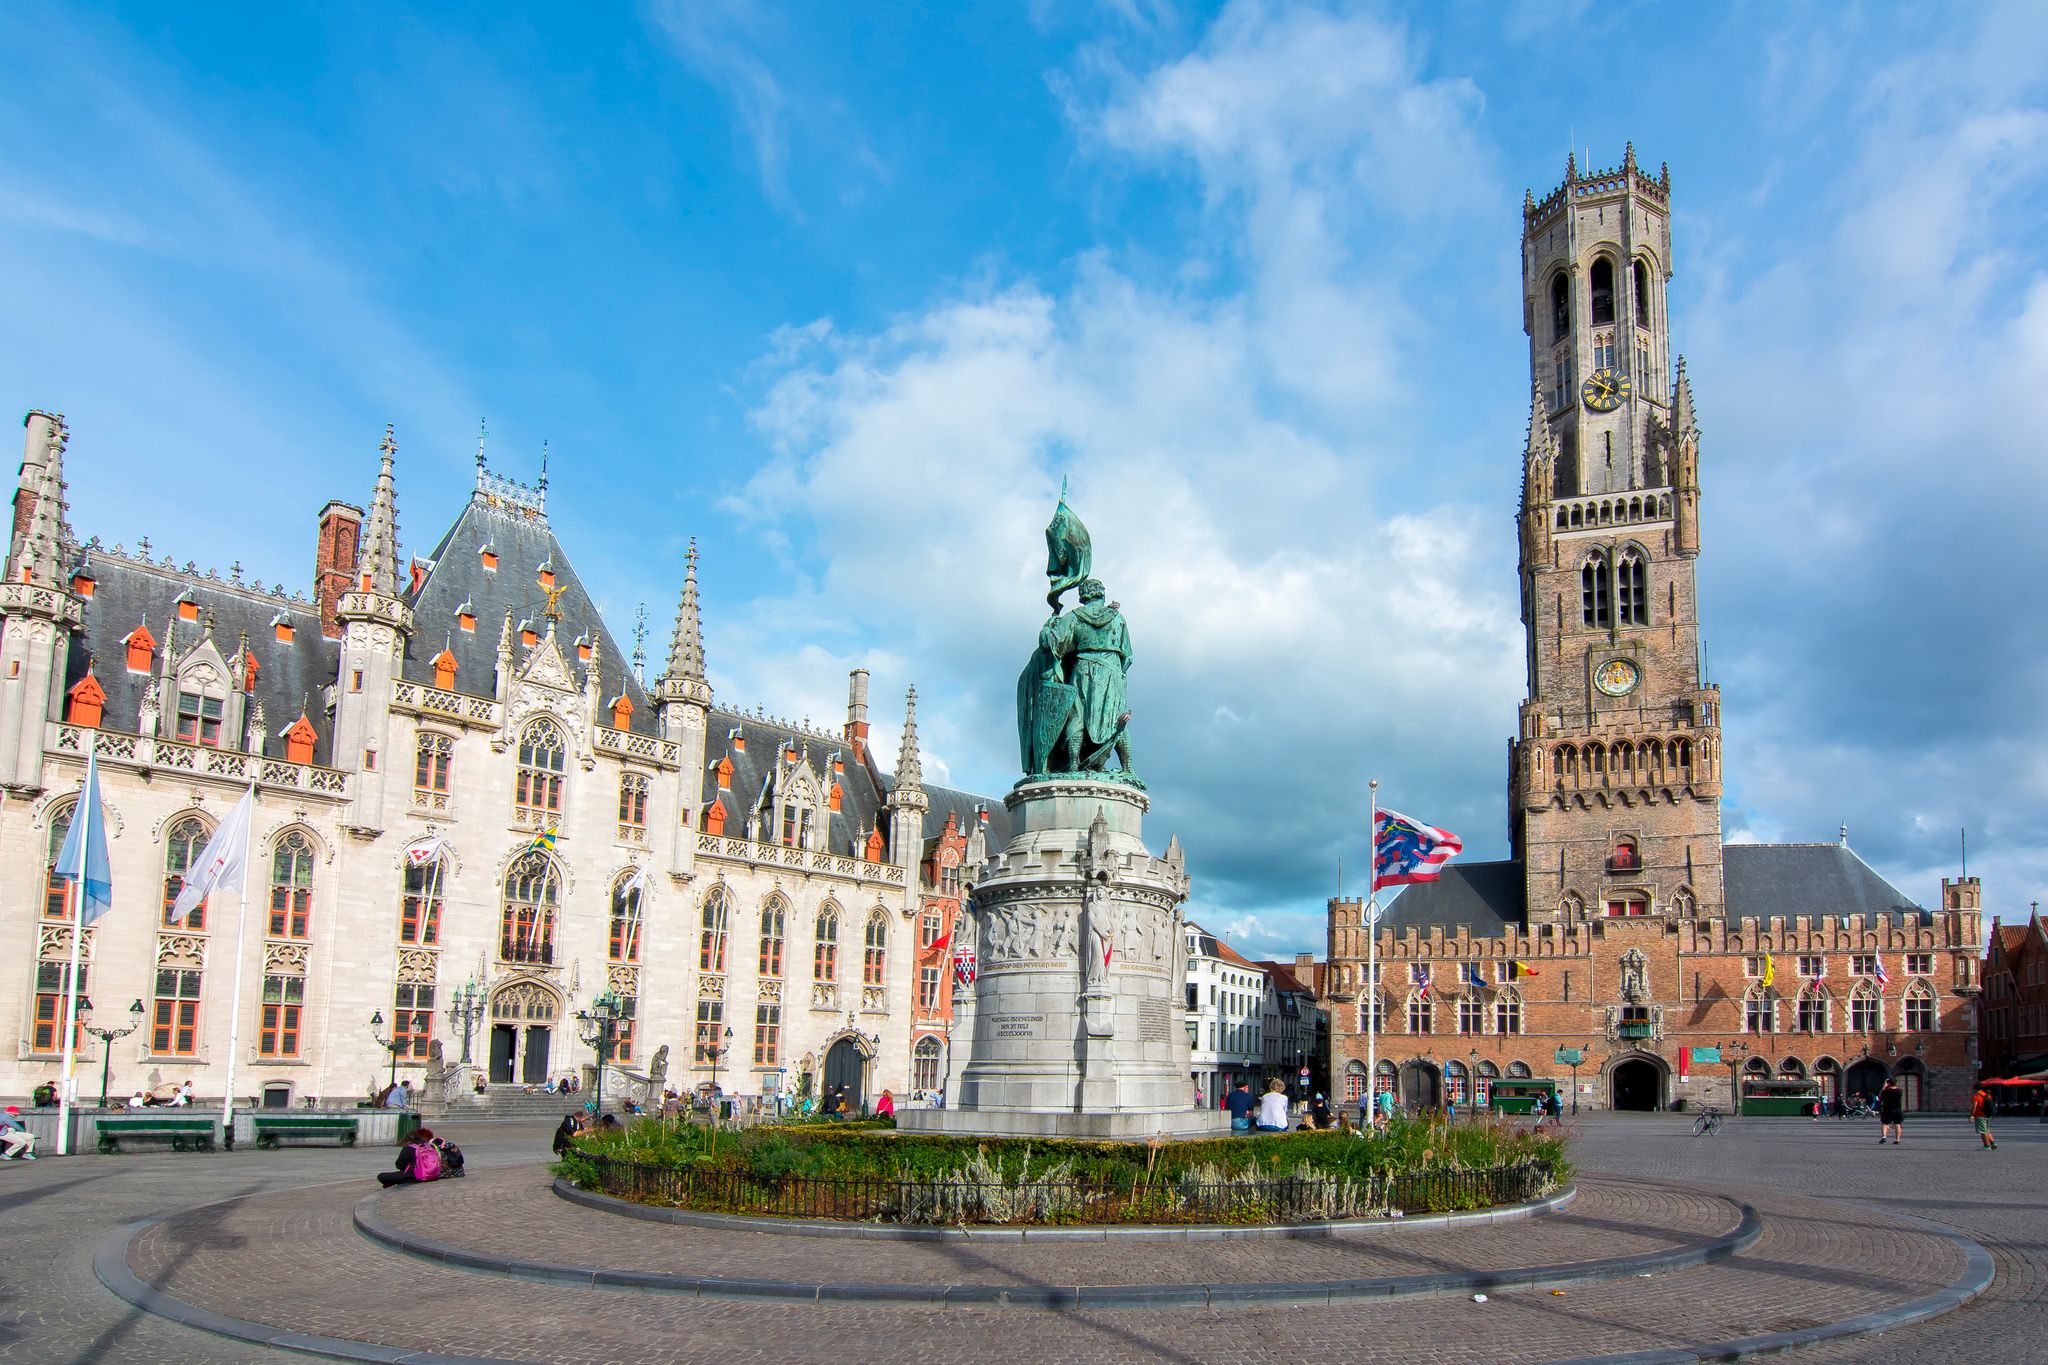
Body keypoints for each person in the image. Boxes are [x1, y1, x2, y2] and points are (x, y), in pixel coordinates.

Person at [378, 1128, 444, 1187]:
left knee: (381, 1176)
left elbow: (399, 1165)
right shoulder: (431, 1146)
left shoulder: (409, 1147)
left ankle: (396, 1182)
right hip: (434, 1175)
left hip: (415, 1176)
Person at [1878, 1077, 1905, 1145]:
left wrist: (1884, 1086)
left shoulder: (1886, 1091)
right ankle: (1897, 1139)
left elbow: (1880, 1095)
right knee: (1897, 1124)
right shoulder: (1900, 1091)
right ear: (1896, 1083)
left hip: (1888, 1110)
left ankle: (1884, 1136)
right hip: (1898, 1110)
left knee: (1885, 1123)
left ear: (1888, 1083)